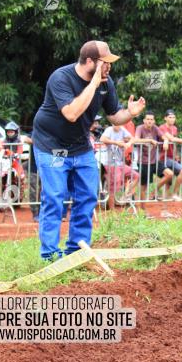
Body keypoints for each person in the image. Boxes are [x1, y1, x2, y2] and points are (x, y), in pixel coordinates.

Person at [32, 40, 145, 260]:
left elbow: (114, 117)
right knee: (55, 197)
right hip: (51, 147)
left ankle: (77, 250)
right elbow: (72, 113)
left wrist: (130, 113)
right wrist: (92, 84)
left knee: (87, 196)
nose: (109, 66)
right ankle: (50, 255)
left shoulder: (106, 82)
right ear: (90, 61)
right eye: (106, 62)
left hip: (80, 147)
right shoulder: (61, 78)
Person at [99, 122, 138, 208]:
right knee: (114, 186)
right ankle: (112, 210)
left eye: (119, 123)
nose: (117, 125)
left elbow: (133, 138)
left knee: (136, 176)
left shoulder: (123, 129)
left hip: (120, 163)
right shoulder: (109, 130)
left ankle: (125, 196)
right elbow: (102, 139)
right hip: (110, 163)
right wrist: (116, 143)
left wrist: (129, 143)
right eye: (115, 123)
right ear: (112, 123)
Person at [158, 110, 182, 200]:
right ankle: (156, 193)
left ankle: (173, 195)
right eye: (170, 117)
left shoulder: (174, 128)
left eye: (173, 117)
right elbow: (172, 139)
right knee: (170, 176)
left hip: (172, 158)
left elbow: (173, 143)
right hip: (162, 157)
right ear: (165, 118)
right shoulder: (162, 127)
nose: (172, 119)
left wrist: (176, 155)